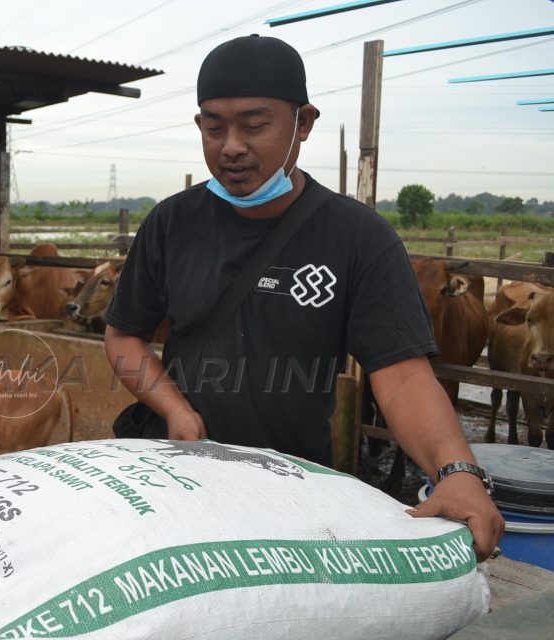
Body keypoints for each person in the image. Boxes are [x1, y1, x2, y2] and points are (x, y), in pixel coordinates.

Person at [102, 35, 503, 561]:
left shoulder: (358, 238)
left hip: (293, 484)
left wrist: (456, 471)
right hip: (178, 472)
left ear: (304, 124)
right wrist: (174, 409)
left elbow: (402, 374)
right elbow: (124, 334)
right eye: (214, 126)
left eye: (255, 124)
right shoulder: (171, 223)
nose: (232, 147)